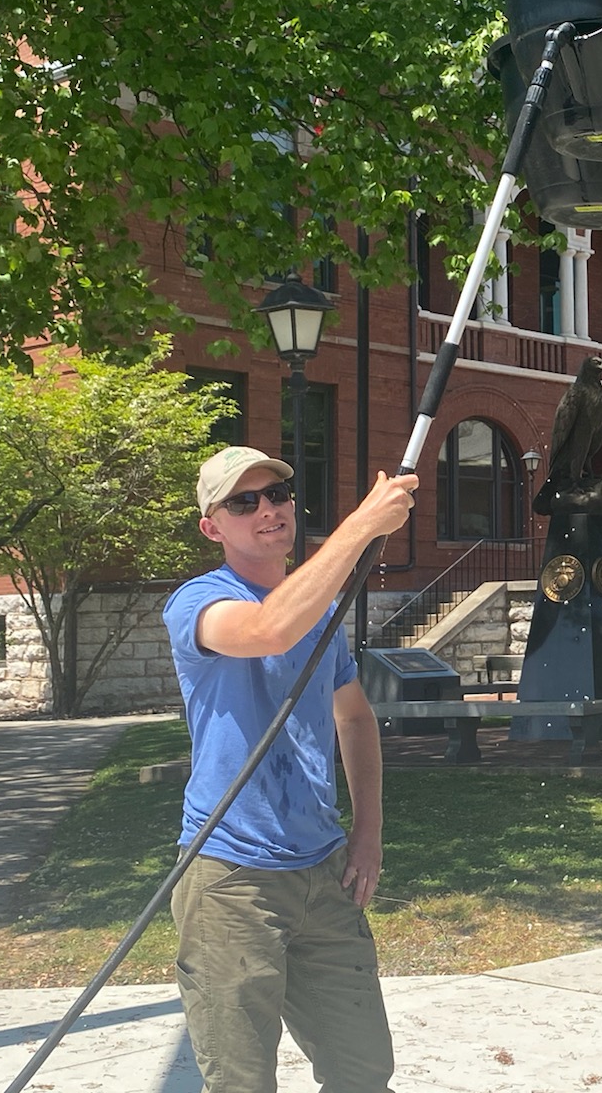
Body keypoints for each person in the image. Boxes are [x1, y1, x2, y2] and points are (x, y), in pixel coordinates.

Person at [163, 445, 419, 1092]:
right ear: (211, 526)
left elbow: (355, 719)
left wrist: (367, 833)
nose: (267, 509)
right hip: (231, 879)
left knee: (363, 1071)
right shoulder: (199, 602)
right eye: (243, 502)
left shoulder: (319, 612)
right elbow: (266, 630)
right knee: (242, 1081)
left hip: (323, 874)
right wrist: (362, 526)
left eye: (276, 494)